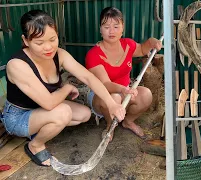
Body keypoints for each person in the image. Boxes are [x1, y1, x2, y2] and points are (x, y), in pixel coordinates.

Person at [1, 10, 126, 167]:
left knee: (84, 114)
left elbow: (88, 77)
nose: (48, 47)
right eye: (39, 43)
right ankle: (35, 145)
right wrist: (67, 88)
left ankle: (38, 129)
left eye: (52, 39)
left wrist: (111, 103)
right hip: (18, 117)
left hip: (40, 109)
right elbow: (49, 104)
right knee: (63, 113)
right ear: (25, 41)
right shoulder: (17, 64)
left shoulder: (59, 54)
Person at [85, 7, 162, 140]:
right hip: (102, 95)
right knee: (114, 97)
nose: (111, 31)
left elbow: (143, 49)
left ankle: (128, 121)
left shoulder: (128, 45)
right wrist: (124, 90)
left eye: (116, 26)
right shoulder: (93, 55)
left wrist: (151, 41)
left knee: (146, 95)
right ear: (100, 29)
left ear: (122, 28)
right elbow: (105, 84)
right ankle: (110, 126)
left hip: (125, 91)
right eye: (106, 26)